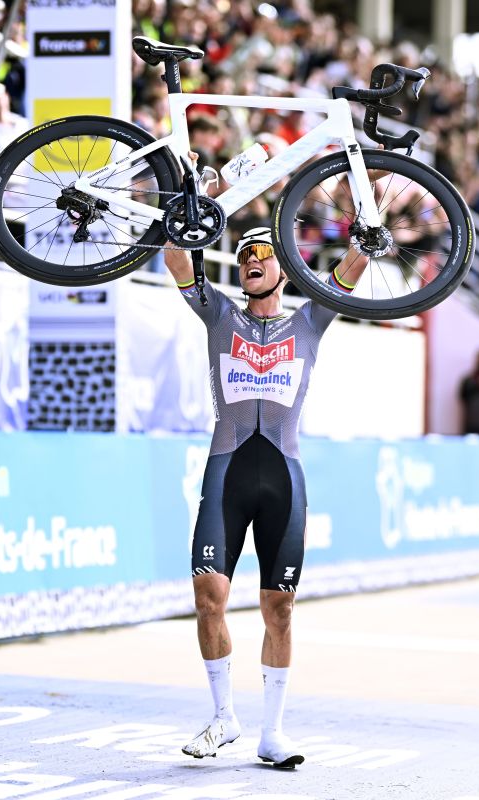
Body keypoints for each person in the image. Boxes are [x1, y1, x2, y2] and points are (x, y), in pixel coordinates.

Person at [162, 178, 369, 769]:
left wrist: (368, 196)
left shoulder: (309, 322)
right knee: (209, 598)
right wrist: (200, 194)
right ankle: (223, 715)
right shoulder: (219, 315)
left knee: (279, 608)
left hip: (284, 477)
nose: (250, 259)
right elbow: (176, 255)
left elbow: (357, 260)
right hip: (227, 472)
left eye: (262, 252)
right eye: (243, 254)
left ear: (286, 267)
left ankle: (272, 733)